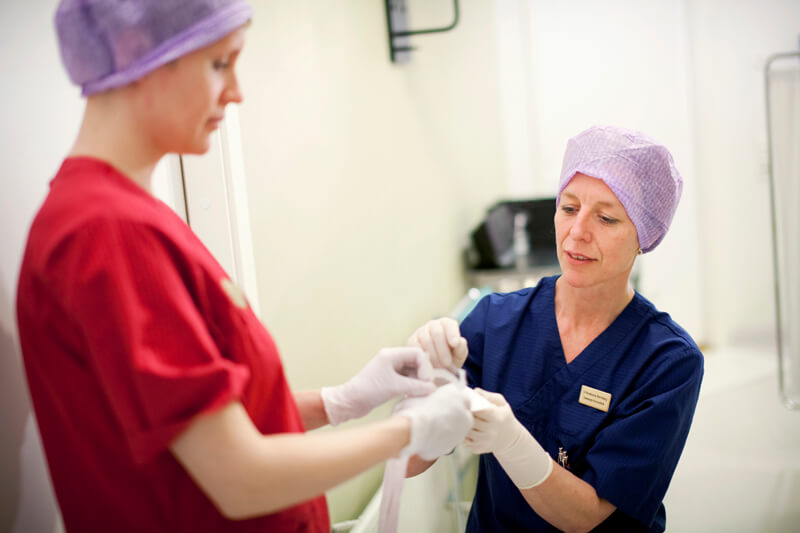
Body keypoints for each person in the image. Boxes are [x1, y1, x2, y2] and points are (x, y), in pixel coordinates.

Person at [16, 1, 474, 531]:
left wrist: (340, 401)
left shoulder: (123, 217)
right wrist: (408, 432)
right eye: (220, 64)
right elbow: (238, 478)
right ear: (140, 55)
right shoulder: (107, 233)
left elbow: (204, 426)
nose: (236, 92)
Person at [408, 125, 704, 532]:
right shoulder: (495, 322)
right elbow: (411, 462)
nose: (577, 232)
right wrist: (423, 382)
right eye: (568, 208)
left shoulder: (667, 363)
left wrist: (512, 442)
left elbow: (586, 517)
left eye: (606, 217)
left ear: (644, 235)